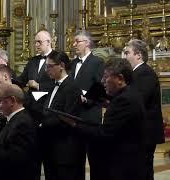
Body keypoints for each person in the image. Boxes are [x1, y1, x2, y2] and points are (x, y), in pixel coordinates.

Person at [62, 58, 145, 180]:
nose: (102, 81)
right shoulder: (128, 94)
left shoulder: (124, 100)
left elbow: (105, 133)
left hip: (122, 166)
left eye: (106, 77)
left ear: (120, 79)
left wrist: (74, 124)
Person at [124, 39, 165, 180]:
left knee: (143, 170)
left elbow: (138, 101)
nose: (125, 56)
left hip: (144, 131)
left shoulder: (144, 73)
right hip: (139, 131)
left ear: (138, 55)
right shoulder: (137, 73)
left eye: (127, 53)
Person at [41, 50, 84, 180]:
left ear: (61, 65)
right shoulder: (53, 85)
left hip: (65, 150)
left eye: (50, 66)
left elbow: (67, 119)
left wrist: (41, 124)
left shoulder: (72, 87)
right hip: (51, 147)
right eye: (46, 66)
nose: (47, 69)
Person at [70, 30, 105, 179]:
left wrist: (87, 99)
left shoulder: (98, 62)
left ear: (87, 43)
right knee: (75, 161)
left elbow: (101, 86)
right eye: (74, 41)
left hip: (90, 117)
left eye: (77, 41)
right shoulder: (72, 63)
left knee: (96, 161)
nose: (74, 44)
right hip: (73, 117)